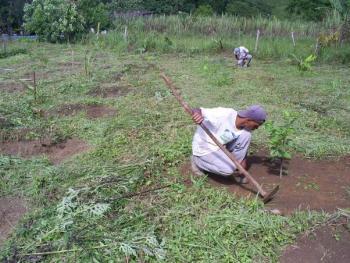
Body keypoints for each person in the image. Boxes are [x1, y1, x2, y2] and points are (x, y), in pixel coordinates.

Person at [190, 105, 266, 183]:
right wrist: (197, 114)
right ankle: (197, 162)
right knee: (228, 170)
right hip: (205, 148)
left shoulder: (244, 128)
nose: (257, 128)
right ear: (248, 120)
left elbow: (242, 150)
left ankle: (235, 169)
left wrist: (241, 168)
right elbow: (198, 110)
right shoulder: (225, 114)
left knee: (246, 135)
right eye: (257, 125)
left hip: (220, 145)